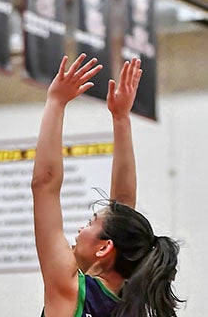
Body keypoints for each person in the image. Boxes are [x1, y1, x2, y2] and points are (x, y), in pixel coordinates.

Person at [31, 54, 184, 317]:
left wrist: (56, 102)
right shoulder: (134, 305)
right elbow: (123, 205)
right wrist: (121, 119)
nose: (80, 229)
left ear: (104, 247)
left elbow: (44, 185)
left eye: (91, 223)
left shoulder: (72, 290)